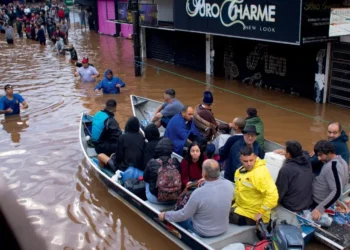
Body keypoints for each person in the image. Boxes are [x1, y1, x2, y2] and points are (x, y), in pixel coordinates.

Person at [159, 159, 234, 237]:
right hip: (223, 228)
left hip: (204, 232)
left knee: (179, 218)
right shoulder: (229, 185)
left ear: (204, 173)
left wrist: (166, 215)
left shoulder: (198, 193)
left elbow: (183, 214)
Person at [229, 147, 278, 225]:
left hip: (253, 214)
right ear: (240, 159)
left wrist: (261, 213)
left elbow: (273, 195)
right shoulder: (239, 172)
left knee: (222, 214)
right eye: (245, 161)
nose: (249, 164)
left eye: (251, 160)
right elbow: (238, 189)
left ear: (255, 157)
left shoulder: (260, 174)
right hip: (241, 206)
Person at [311, 140, 349, 221]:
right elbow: (344, 182)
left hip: (317, 202)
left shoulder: (332, 167)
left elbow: (337, 191)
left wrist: (319, 209)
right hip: (323, 199)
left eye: (321, 155)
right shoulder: (342, 161)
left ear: (329, 152)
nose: (319, 158)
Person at [275, 141, 313, 212]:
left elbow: (279, 191)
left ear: (289, 155)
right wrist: (285, 152)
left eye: (285, 151)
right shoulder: (307, 160)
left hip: (293, 206)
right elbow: (305, 152)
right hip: (307, 202)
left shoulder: (286, 169)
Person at [143, 138, 180, 204]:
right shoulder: (176, 162)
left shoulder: (152, 162)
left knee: (147, 182)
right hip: (174, 199)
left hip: (156, 199)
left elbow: (145, 178)